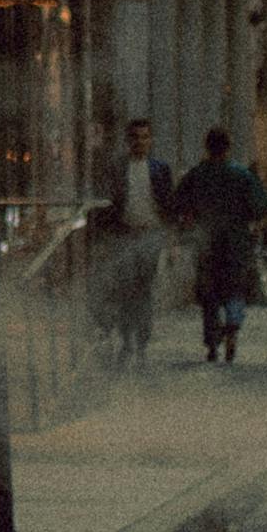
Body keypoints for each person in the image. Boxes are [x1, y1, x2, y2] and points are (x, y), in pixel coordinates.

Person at [172, 121, 267, 364]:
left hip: (206, 242)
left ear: (207, 147)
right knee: (235, 288)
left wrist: (189, 220)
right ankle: (232, 327)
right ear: (228, 147)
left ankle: (213, 342)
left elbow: (178, 202)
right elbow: (261, 206)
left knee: (210, 294)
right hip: (236, 243)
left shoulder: (197, 174)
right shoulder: (242, 175)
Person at [88, 120, 174, 365]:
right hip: (124, 235)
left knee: (143, 290)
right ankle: (127, 340)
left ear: (151, 140)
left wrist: (169, 236)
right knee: (126, 290)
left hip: (151, 234)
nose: (140, 142)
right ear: (128, 140)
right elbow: (108, 202)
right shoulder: (117, 168)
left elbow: (169, 203)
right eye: (136, 137)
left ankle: (142, 342)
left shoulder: (160, 169)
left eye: (145, 137)